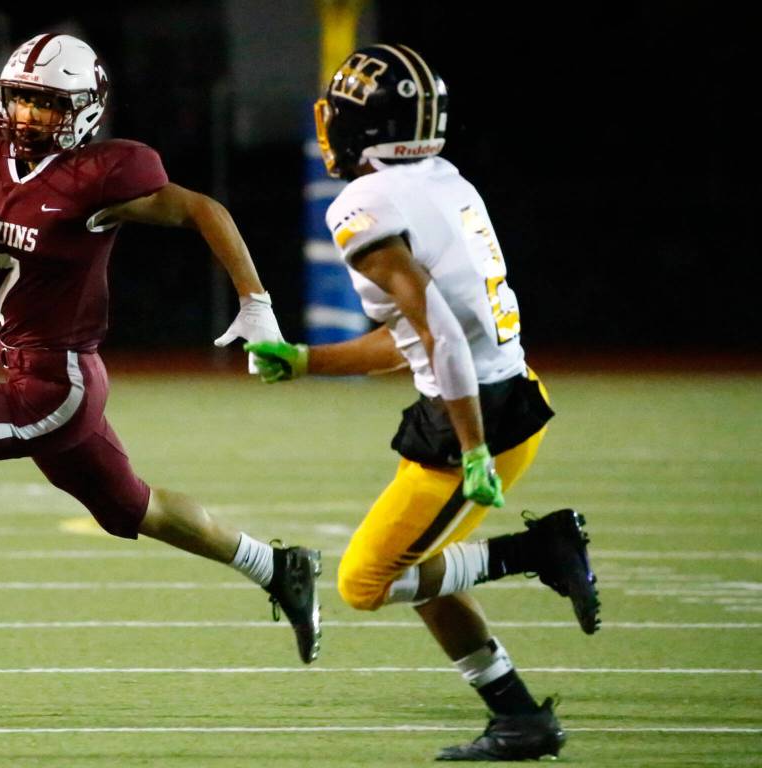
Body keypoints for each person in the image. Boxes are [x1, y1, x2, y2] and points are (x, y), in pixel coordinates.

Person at [0, 33, 321, 666]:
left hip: (56, 384)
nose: (28, 116)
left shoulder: (101, 176)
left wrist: (256, 303)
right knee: (132, 508)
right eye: (21, 100)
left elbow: (203, 209)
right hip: (30, 367)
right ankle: (278, 567)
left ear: (86, 110)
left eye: (47, 104)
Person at [246, 43, 599, 761]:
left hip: (479, 422)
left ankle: (538, 548)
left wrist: (471, 449)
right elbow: (421, 335)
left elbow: (439, 338)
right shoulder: (445, 182)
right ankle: (518, 716)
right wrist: (310, 361)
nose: (327, 129)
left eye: (338, 117)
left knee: (365, 580)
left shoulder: (364, 204)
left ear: (364, 129)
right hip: (503, 399)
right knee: (416, 563)